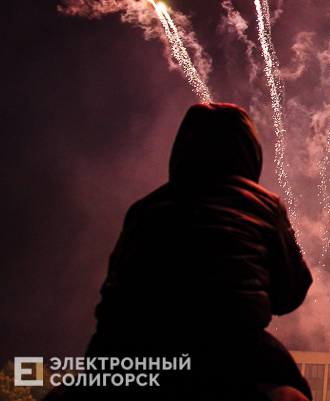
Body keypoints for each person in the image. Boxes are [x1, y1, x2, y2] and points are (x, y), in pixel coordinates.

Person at [48, 103, 313, 401]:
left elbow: (113, 287)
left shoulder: (144, 209)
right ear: (250, 153)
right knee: (294, 391)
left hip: (129, 345)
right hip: (229, 345)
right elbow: (292, 292)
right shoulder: (266, 205)